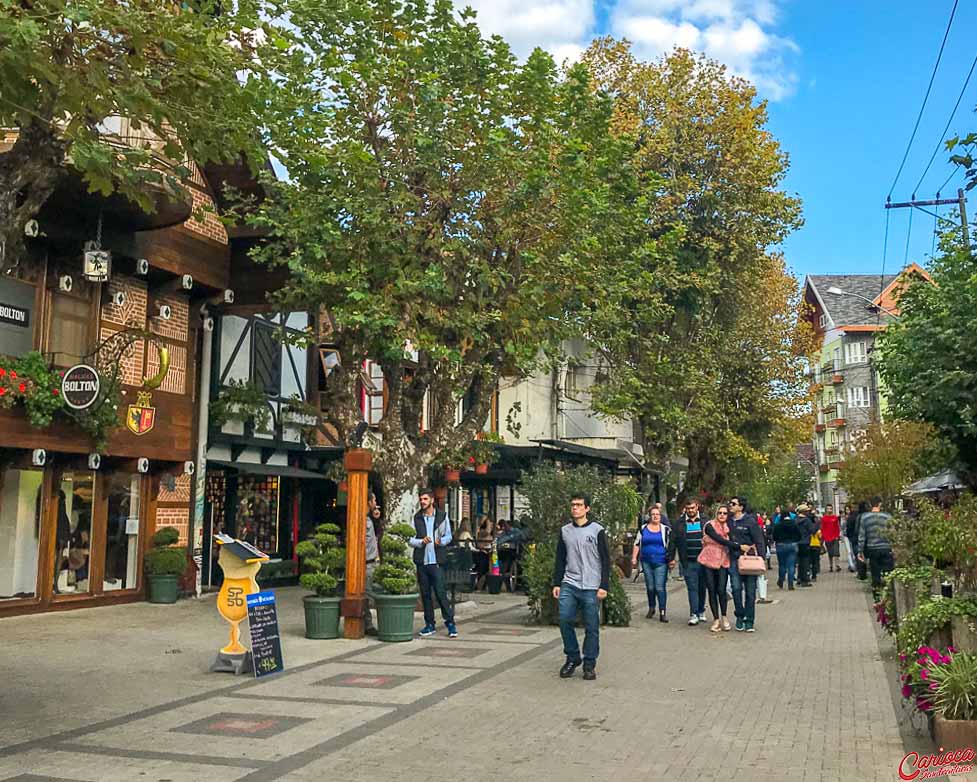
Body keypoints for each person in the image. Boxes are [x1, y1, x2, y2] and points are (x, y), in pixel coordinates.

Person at [552, 493, 610, 681]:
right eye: (573, 505)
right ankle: (572, 657)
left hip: (591, 585)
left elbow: (606, 559)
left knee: (591, 626)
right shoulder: (565, 531)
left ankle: (589, 663)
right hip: (570, 581)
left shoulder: (597, 530)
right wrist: (557, 582)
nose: (575, 508)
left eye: (579, 505)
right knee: (564, 619)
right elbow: (560, 558)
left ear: (587, 509)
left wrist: (604, 585)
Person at [409, 488, 457, 638]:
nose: (422, 502)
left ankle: (450, 623)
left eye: (425, 499)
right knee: (425, 594)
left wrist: (440, 541)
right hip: (422, 561)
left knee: (440, 592)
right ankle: (429, 624)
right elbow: (410, 539)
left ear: (431, 500)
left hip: (436, 561)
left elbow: (449, 536)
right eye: (421, 499)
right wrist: (420, 542)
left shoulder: (442, 516)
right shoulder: (416, 518)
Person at [726, 496, 766, 633]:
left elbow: (759, 540)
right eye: (730, 503)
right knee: (736, 589)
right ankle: (739, 615)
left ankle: (749, 620)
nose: (730, 506)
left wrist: (761, 559)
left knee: (750, 592)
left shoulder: (750, 521)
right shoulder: (728, 521)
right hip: (734, 559)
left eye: (733, 504)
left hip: (749, 561)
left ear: (741, 507)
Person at [630, 506, 675, 622]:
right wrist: (634, 558)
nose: (655, 516)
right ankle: (651, 607)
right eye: (653, 514)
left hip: (661, 562)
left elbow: (671, 546)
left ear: (661, 516)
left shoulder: (666, 530)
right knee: (650, 587)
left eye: (657, 514)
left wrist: (671, 560)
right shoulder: (643, 529)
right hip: (646, 562)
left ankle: (662, 611)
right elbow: (637, 543)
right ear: (649, 516)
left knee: (660, 587)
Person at [672, 499, 708, 625]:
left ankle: (701, 610)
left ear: (697, 507)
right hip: (688, 561)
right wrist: (671, 558)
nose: (691, 510)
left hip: (704, 561)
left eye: (692, 508)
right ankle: (694, 613)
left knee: (702, 587)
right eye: (688, 508)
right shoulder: (679, 523)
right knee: (692, 588)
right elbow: (673, 542)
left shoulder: (705, 521)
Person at [701, 504, 732, 632]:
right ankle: (716, 619)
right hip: (708, 560)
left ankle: (724, 616)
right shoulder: (709, 526)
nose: (722, 515)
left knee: (721, 589)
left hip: (723, 561)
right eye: (720, 513)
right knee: (712, 590)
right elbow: (718, 539)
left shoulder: (730, 527)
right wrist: (736, 545)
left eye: (725, 513)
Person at [857, 496, 894, 600]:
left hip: (872, 549)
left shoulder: (865, 517)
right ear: (880, 504)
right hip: (886, 548)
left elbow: (862, 536)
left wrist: (860, 552)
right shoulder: (887, 517)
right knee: (888, 573)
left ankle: (877, 597)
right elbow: (892, 534)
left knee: (875, 573)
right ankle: (888, 596)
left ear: (870, 504)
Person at [364, 493, 383, 636]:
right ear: (368, 501)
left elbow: (377, 536)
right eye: (374, 500)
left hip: (373, 562)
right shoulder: (362, 519)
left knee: (369, 593)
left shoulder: (370, 519)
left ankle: (368, 623)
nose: (376, 502)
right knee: (369, 595)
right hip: (365, 563)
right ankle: (367, 624)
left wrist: (377, 519)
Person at [772, 505, 802, 590]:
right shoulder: (794, 524)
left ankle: (781, 580)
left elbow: (774, 537)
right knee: (791, 565)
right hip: (792, 545)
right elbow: (799, 535)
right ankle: (790, 584)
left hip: (780, 545)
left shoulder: (778, 525)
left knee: (782, 565)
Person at [795, 504, 815, 587]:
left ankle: (799, 578)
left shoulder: (795, 520)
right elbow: (812, 530)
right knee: (806, 561)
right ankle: (805, 580)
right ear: (804, 512)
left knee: (799, 561)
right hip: (805, 542)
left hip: (797, 542)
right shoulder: (807, 521)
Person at [846, 502, 868, 579]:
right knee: (865, 555)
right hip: (864, 538)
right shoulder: (865, 516)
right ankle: (865, 572)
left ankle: (861, 573)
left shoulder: (852, 516)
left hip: (855, 539)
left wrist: (850, 537)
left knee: (858, 555)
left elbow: (848, 528)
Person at [474, 516, 494, 590]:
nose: (492, 525)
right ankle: (479, 583)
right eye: (490, 524)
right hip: (482, 552)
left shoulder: (492, 533)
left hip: (489, 552)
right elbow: (487, 532)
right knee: (484, 566)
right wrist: (487, 521)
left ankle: (486, 583)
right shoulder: (482, 531)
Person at [821, 504, 842, 573]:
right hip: (827, 538)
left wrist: (837, 536)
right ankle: (831, 566)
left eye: (830, 508)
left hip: (835, 537)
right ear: (826, 510)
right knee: (830, 553)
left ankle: (837, 565)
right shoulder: (824, 518)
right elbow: (823, 528)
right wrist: (824, 537)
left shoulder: (835, 517)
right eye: (828, 509)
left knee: (836, 552)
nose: (829, 510)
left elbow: (837, 527)